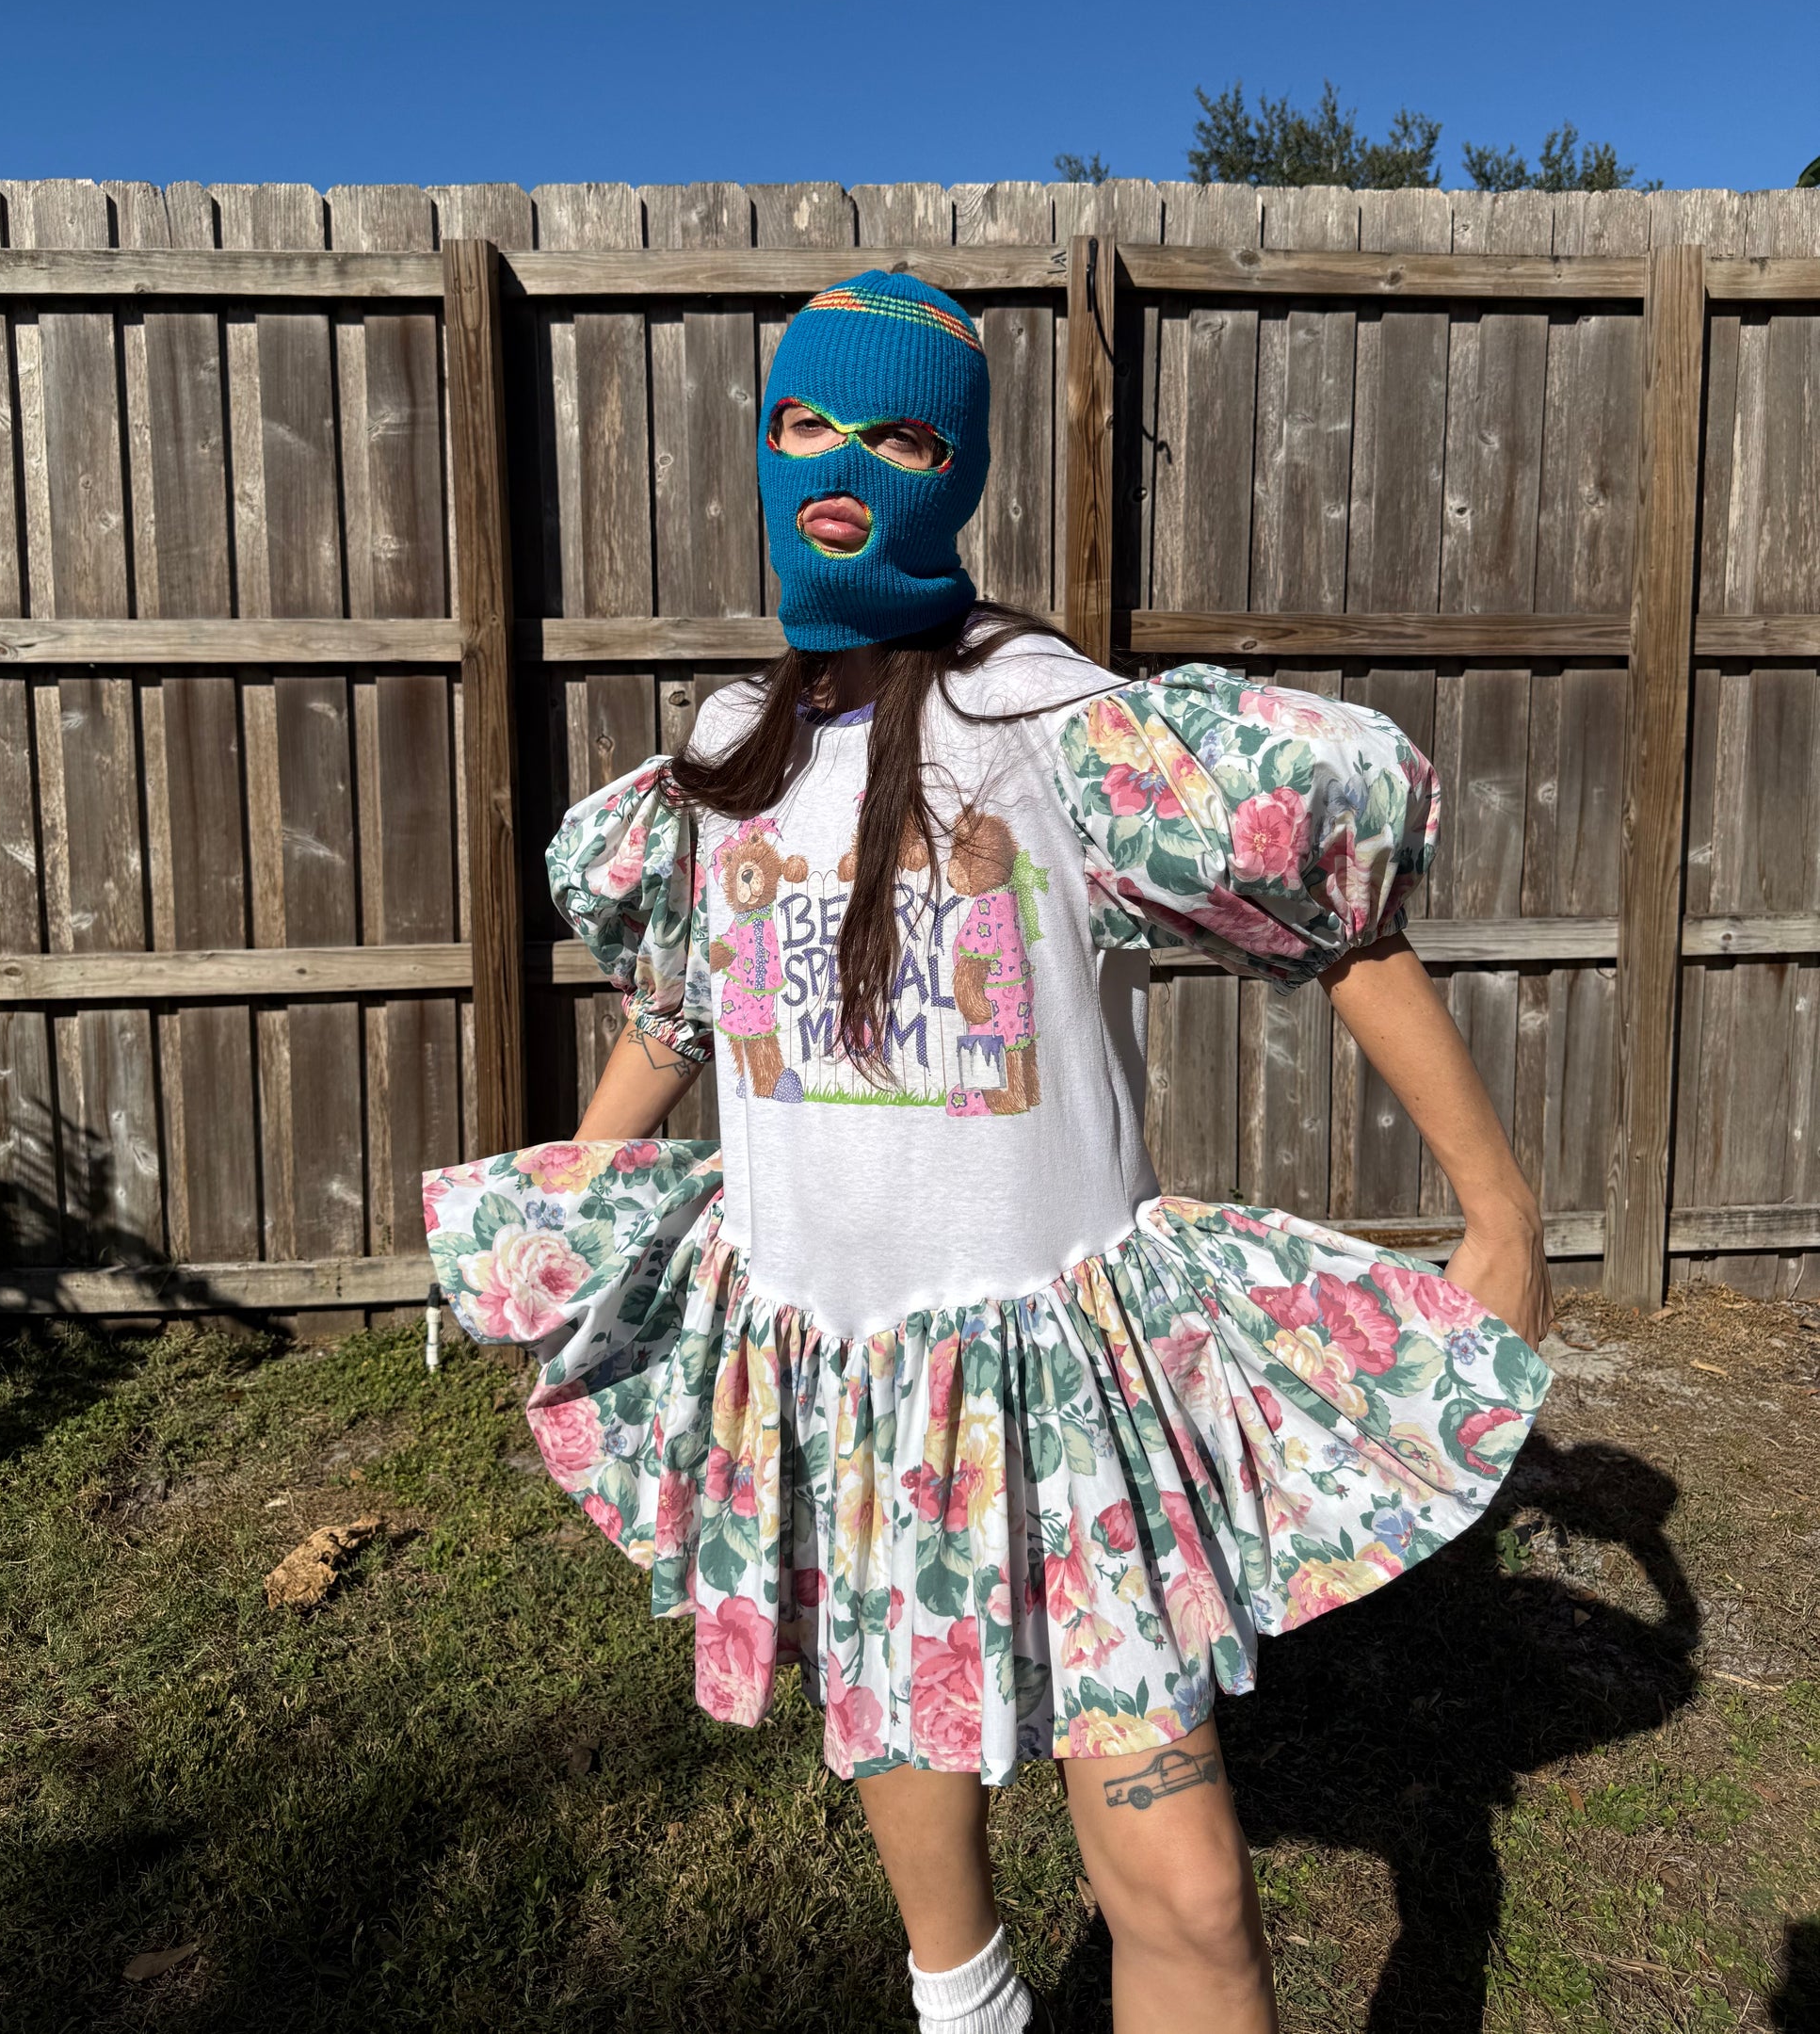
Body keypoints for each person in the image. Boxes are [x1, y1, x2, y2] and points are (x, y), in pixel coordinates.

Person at [422, 270, 1554, 2034]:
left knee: (1194, 1905)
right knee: (909, 1761)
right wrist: (568, 1228)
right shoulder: (727, 755)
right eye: (806, 423)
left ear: (955, 471)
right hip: (833, 1375)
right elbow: (679, 1004)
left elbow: (1334, 906)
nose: (839, 468)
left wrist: (1499, 1208)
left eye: (896, 437)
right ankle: (969, 2006)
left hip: (1059, 1391)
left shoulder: (1054, 727)